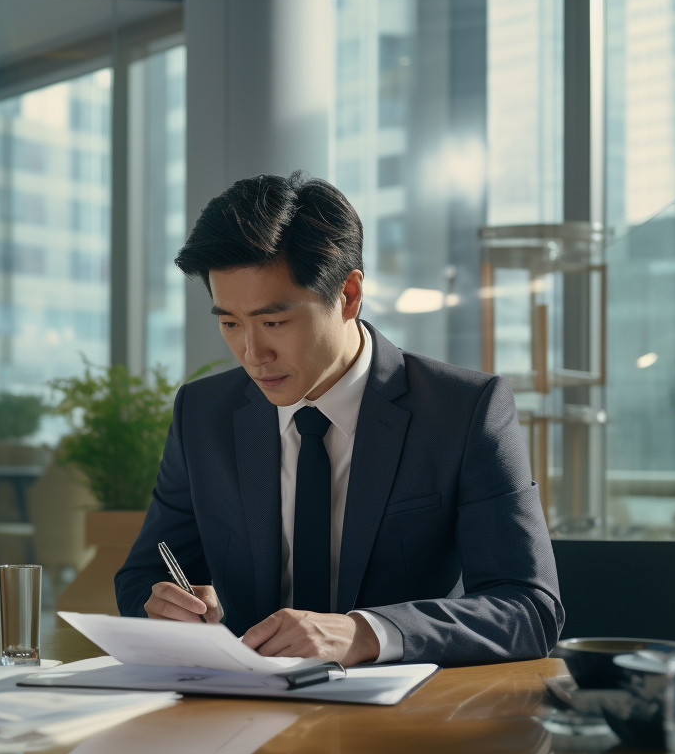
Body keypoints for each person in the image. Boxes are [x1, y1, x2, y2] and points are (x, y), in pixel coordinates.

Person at [115, 173, 562, 666]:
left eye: (274, 323)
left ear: (349, 295)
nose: (252, 353)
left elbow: (528, 608)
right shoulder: (203, 414)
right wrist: (160, 609)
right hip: (241, 713)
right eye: (229, 324)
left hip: (404, 725)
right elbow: (141, 578)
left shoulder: (463, 411)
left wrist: (366, 634)